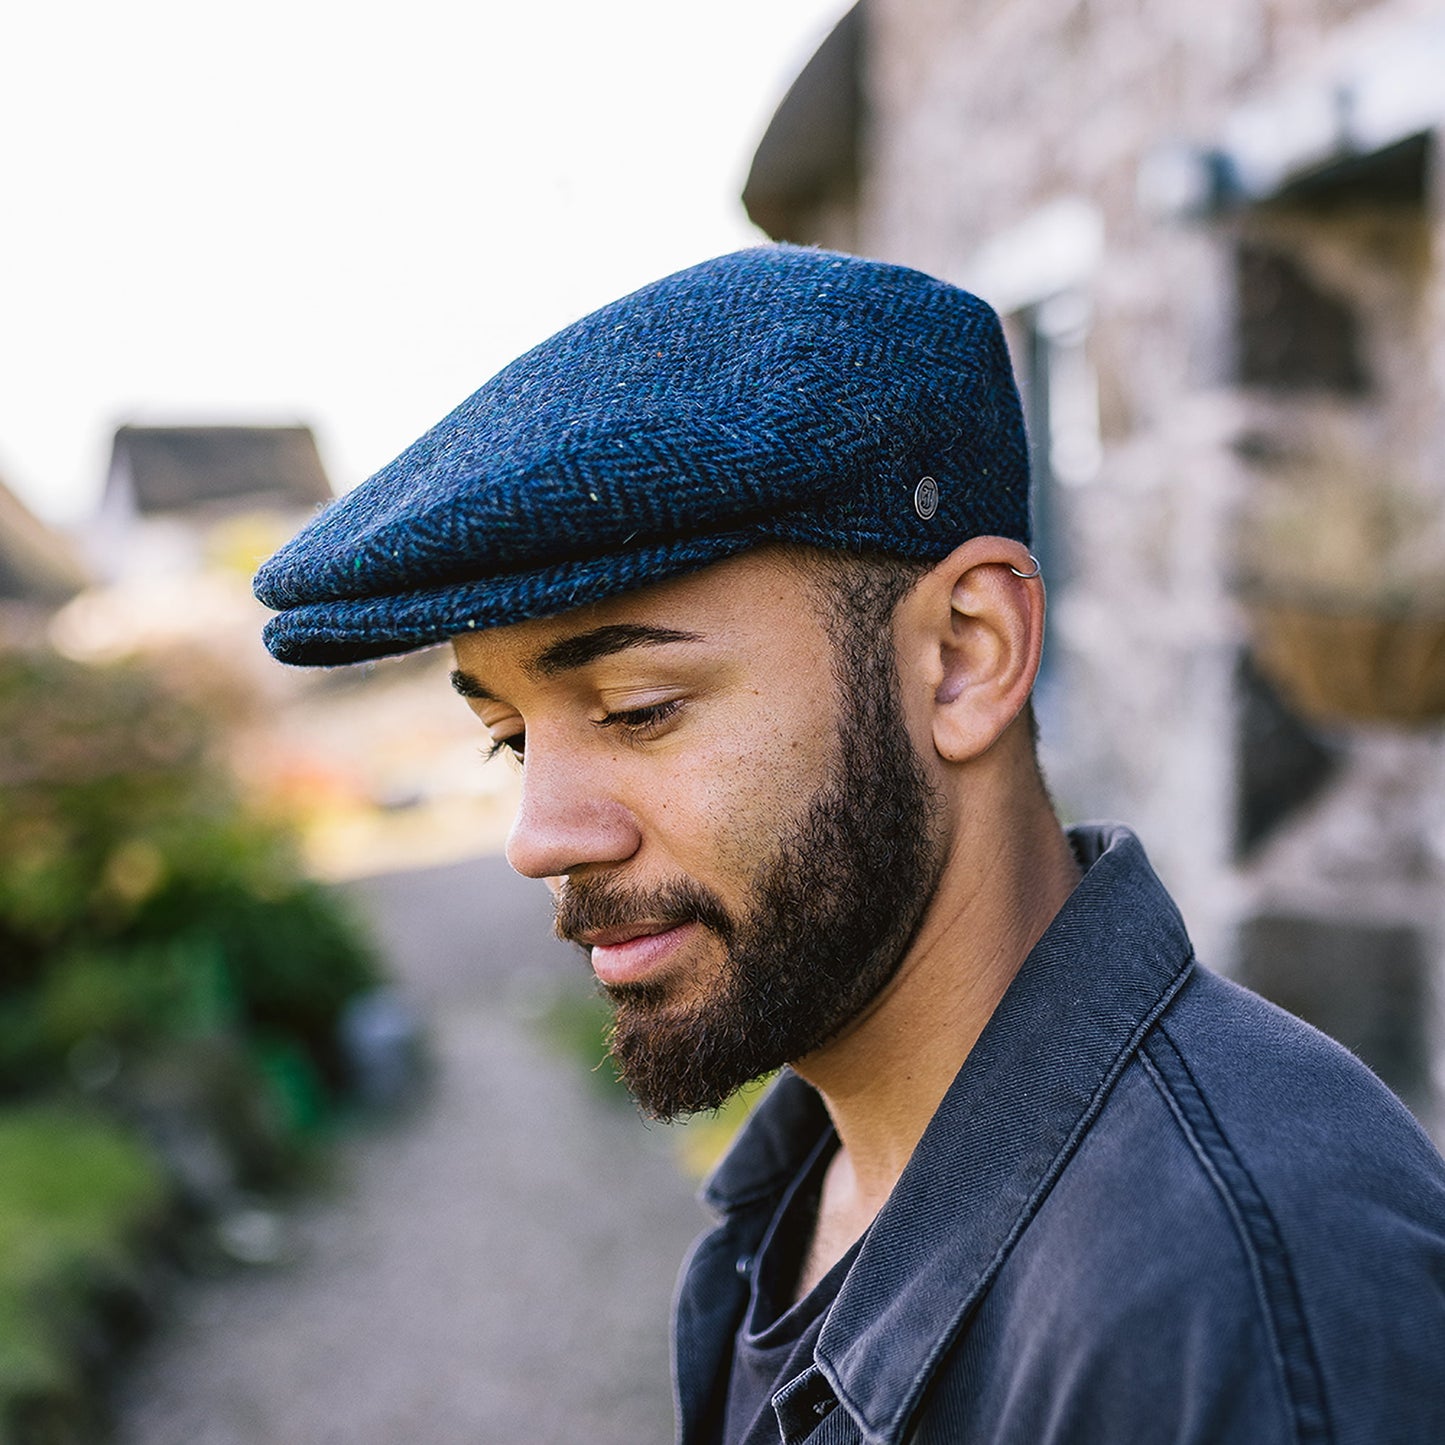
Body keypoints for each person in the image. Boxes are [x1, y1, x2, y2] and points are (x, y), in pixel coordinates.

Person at [255, 245, 1445, 1444]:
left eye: (637, 708)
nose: (540, 836)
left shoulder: (1217, 1292)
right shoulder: (805, 1184)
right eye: (512, 740)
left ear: (962, 654)